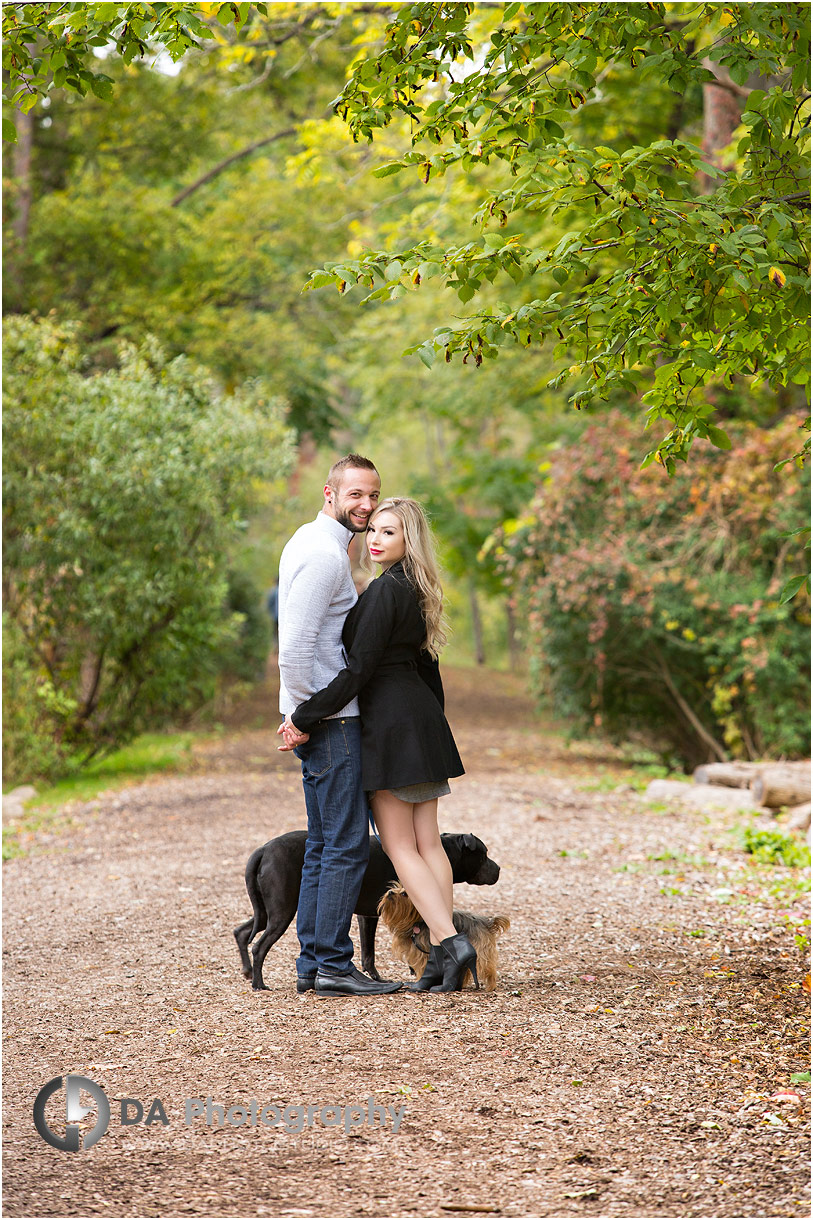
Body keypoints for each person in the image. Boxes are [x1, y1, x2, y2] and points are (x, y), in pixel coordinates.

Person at [279, 498, 477, 994]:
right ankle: (438, 957)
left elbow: (359, 670)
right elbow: (429, 670)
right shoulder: (416, 588)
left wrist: (303, 714)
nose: (376, 539)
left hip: (391, 727)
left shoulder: (385, 591)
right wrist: (432, 726)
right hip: (420, 723)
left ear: (409, 540)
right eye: (375, 531)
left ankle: (451, 943)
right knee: (428, 843)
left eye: (389, 532)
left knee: (398, 845)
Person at [277, 455, 402, 998]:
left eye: (372, 495)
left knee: (325, 844)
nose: (366, 505)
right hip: (332, 723)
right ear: (330, 493)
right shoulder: (322, 556)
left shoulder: (318, 544)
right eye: (355, 494)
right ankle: (331, 964)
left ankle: (313, 963)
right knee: (348, 843)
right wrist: (307, 716)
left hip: (324, 720)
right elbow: (294, 652)